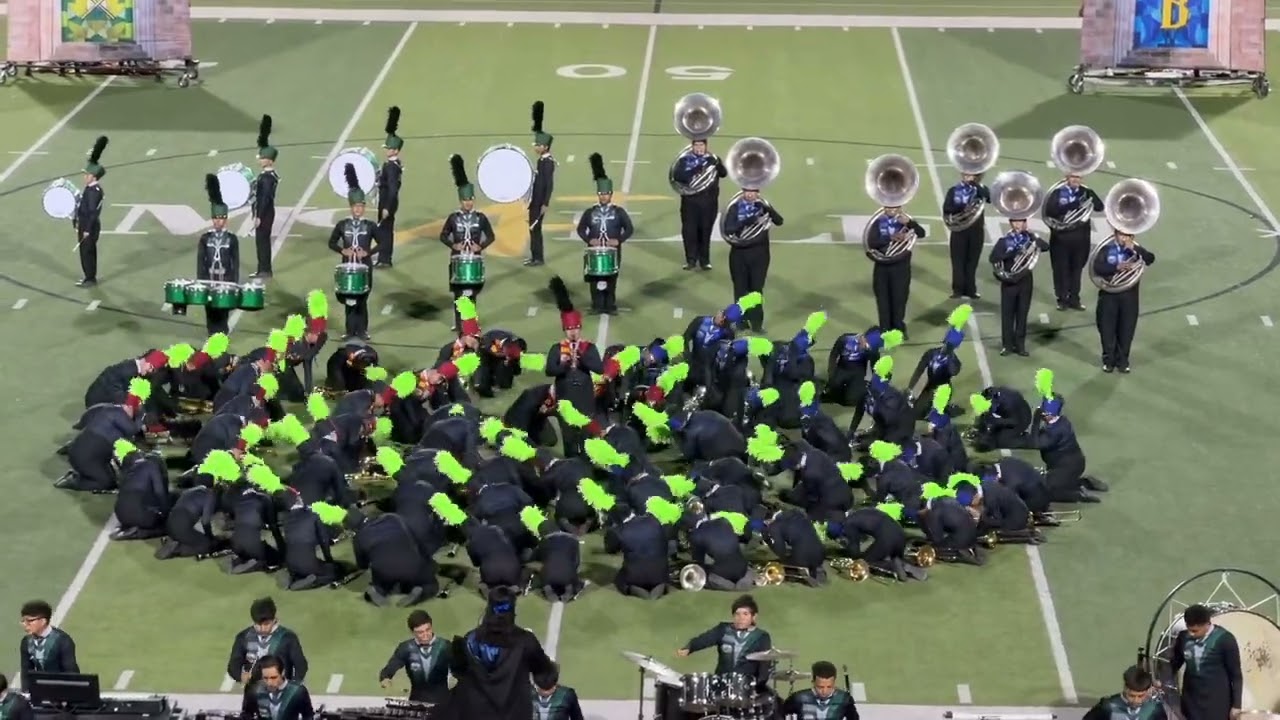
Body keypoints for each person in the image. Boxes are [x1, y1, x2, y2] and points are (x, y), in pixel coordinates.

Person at [446, 588, 555, 720]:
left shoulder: (470, 639)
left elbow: (458, 671)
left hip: (474, 713)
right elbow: (545, 678)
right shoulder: (525, 641)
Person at [442, 155, 495, 328]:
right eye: (465, 200)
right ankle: (459, 324)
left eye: (470, 200)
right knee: (458, 294)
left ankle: (471, 323)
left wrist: (481, 246)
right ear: (461, 201)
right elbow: (443, 235)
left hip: (474, 259)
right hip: (458, 259)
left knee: (471, 294)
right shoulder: (453, 218)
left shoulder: (481, 218)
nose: (468, 203)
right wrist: (453, 245)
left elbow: (491, 236)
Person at [677, 594, 773, 690]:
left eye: (745, 614)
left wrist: (758, 687)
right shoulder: (723, 629)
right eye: (737, 614)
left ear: (754, 617)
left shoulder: (761, 637)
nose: (741, 618)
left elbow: (764, 667)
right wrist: (690, 647)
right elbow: (704, 639)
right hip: (721, 684)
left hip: (747, 688)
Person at [328, 163, 380, 340]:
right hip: (348, 266)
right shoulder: (342, 225)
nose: (358, 209)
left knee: (363, 299)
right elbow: (331, 242)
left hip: (365, 266)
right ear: (351, 207)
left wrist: (369, 252)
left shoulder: (370, 225)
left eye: (361, 206)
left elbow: (383, 243)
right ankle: (350, 331)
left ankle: (363, 331)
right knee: (349, 300)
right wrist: (344, 250)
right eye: (355, 206)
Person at [577, 153, 634, 315]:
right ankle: (596, 305)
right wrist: (589, 239)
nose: (603, 196)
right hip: (594, 250)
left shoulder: (619, 212)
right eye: (601, 194)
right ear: (598, 195)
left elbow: (629, 228)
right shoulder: (590, 212)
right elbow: (581, 229)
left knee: (611, 277)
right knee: (594, 278)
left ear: (611, 195)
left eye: (606, 194)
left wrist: (619, 240)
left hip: (613, 250)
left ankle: (610, 305)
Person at [1093, 229, 1155, 373]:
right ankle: (1108, 360)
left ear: (1132, 237)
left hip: (1129, 296)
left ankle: (1123, 361)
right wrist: (1116, 267)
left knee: (1126, 330)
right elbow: (1097, 268)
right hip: (1109, 294)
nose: (1124, 238)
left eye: (1127, 235)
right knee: (1107, 329)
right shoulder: (1106, 249)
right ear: (1115, 235)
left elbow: (1150, 259)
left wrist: (1136, 248)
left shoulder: (1136, 252)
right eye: (1121, 235)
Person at [722, 186, 783, 333]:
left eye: (753, 191)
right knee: (740, 289)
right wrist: (747, 221)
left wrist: (768, 208)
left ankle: (756, 323)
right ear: (742, 192)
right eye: (747, 191)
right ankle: (741, 322)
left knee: (756, 290)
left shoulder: (763, 207)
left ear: (758, 192)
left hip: (759, 255)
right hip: (739, 254)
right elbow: (729, 228)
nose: (749, 194)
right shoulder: (735, 208)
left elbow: (779, 221)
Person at [1169, 604, 1242, 720]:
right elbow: (1175, 663)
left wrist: (1236, 705)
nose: (1191, 634)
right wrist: (1163, 679)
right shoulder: (1183, 637)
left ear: (1207, 624)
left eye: (1195, 631)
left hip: (1218, 702)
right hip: (1191, 701)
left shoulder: (1225, 640)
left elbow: (1236, 675)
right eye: (1189, 629)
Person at [1043, 173, 1103, 311]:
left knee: (1077, 270)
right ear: (1066, 177)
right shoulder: (1057, 192)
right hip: (1061, 239)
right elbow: (1050, 211)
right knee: (1061, 270)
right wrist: (1073, 205)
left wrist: (1091, 196)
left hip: (1081, 240)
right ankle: (1062, 299)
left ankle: (1074, 298)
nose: (1076, 180)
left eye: (1078, 177)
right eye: (1073, 177)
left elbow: (1100, 207)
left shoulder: (1086, 192)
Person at [989, 217, 1049, 356]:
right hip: (1009, 282)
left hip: (1025, 282)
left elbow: (1045, 247)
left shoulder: (1030, 240)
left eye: (1020, 222)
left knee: (1022, 315)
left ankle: (1020, 345)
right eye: (1015, 222)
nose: (1017, 224)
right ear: (1010, 224)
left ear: (1025, 223)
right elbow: (993, 258)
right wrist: (1014, 252)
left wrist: (1033, 236)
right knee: (1007, 315)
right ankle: (1007, 346)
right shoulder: (1004, 241)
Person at [867, 205, 925, 338]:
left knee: (899, 299)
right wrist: (890, 238)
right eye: (888, 207)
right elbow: (871, 242)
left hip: (901, 267)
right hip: (882, 266)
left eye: (895, 207)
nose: (892, 210)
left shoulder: (906, 222)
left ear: (900, 207)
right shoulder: (877, 222)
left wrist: (910, 223)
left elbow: (921, 233)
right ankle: (885, 330)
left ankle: (898, 328)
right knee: (883, 300)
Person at [226, 597, 308, 688]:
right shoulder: (243, 637)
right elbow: (234, 664)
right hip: (254, 691)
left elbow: (301, 665)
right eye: (258, 625)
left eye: (266, 624)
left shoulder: (287, 638)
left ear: (274, 619)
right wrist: (240, 676)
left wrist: (293, 685)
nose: (262, 629)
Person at [673, 137, 726, 270]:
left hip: (709, 203)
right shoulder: (685, 160)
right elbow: (679, 176)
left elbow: (724, 174)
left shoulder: (713, 159)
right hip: (690, 202)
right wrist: (699, 168)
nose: (699, 148)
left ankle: (705, 261)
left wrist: (718, 164)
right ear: (692, 146)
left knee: (705, 231)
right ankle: (691, 260)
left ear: (706, 146)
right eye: (696, 145)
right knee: (689, 231)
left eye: (701, 145)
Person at [197, 174, 241, 336]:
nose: (218, 221)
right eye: (216, 218)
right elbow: (201, 263)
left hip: (225, 282)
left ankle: (221, 342)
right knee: (210, 316)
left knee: (223, 317)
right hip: (209, 281)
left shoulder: (232, 239)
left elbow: (234, 263)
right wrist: (201, 284)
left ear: (226, 220)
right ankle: (211, 339)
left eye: (222, 218)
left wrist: (234, 285)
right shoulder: (205, 238)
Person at [378, 610, 451, 704]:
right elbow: (390, 668)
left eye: (428, 630)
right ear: (413, 632)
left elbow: (462, 668)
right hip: (416, 702)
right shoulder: (406, 648)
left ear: (431, 627)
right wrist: (386, 679)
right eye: (420, 632)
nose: (425, 635)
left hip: (443, 702)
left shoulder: (445, 646)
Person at [943, 172, 990, 299]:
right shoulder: (954, 190)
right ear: (962, 175)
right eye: (966, 174)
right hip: (959, 231)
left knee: (972, 262)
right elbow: (946, 208)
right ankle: (957, 290)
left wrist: (976, 185)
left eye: (971, 175)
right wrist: (962, 208)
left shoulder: (981, 189)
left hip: (976, 232)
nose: (968, 177)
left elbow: (989, 198)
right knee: (958, 262)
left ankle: (971, 290)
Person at [19, 600, 79, 688]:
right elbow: (26, 672)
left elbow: (71, 672)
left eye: (29, 621)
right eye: (23, 621)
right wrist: (26, 693)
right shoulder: (26, 642)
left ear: (43, 621)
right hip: (40, 689)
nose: (25, 625)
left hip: (61, 689)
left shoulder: (62, 641)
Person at [525, 100, 555, 267]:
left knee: (535, 229)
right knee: (532, 228)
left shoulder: (548, 162)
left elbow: (548, 184)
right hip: (535, 201)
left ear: (544, 146)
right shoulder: (542, 161)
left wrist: (545, 203)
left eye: (537, 144)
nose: (535, 147)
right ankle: (535, 256)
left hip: (539, 202)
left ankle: (538, 258)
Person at [76, 135, 108, 287]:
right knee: (85, 251)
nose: (85, 176)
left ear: (93, 176)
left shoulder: (94, 191)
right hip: (85, 224)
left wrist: (87, 229)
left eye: (87, 174)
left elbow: (93, 212)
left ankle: (90, 278)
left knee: (87, 252)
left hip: (90, 226)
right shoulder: (90, 189)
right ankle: (88, 276)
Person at [779, 661, 861, 720]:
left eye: (829, 687)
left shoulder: (844, 699)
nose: (825, 691)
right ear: (813, 682)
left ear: (834, 682)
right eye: (820, 687)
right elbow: (779, 714)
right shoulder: (799, 698)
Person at [240, 655, 314, 720]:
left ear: (282, 673)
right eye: (265, 678)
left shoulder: (298, 692)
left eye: (274, 677)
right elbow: (247, 714)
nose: (269, 683)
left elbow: (308, 716)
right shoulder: (254, 690)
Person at [1082, 665, 1166, 720]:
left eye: (1141, 696)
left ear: (1148, 691)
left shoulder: (1155, 709)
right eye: (1132, 696)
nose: (1136, 700)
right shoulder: (1108, 706)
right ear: (1125, 688)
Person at [250, 114, 278, 279]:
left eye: (262, 158)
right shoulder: (268, 175)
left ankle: (264, 269)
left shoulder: (267, 178)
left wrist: (259, 216)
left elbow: (265, 198)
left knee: (262, 242)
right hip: (266, 212)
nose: (260, 160)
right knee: (262, 241)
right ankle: (263, 268)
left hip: (265, 213)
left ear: (268, 160)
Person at [376, 106, 403, 268]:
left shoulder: (392, 167)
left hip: (388, 201)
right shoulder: (395, 164)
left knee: (384, 230)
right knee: (386, 229)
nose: (387, 151)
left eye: (389, 148)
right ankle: (384, 257)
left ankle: (384, 258)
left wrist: (386, 207)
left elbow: (392, 188)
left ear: (396, 150)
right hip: (389, 200)